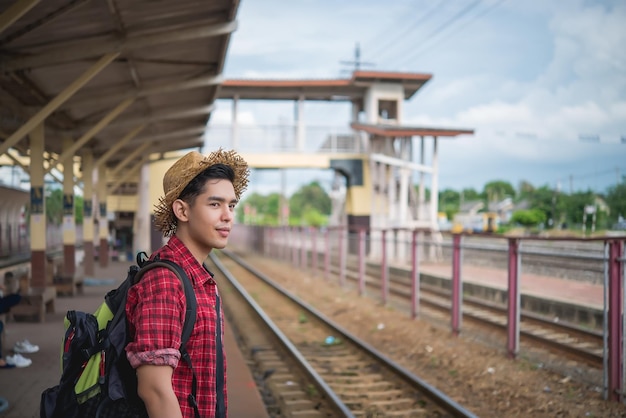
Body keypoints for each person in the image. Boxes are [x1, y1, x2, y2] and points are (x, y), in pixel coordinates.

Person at [125, 149, 249, 418]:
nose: (228, 215)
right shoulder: (166, 282)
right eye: (215, 204)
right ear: (182, 210)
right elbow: (154, 390)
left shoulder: (198, 277)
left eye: (231, 205)